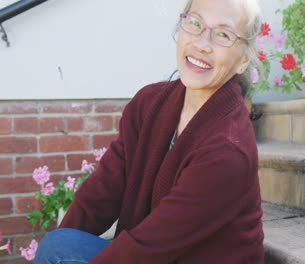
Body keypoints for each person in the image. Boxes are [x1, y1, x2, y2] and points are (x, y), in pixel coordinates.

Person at [34, 0, 264, 263]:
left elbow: (150, 248)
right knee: (58, 246)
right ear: (181, 26)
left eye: (223, 34)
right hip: (153, 252)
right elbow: (103, 192)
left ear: (243, 60)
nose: (203, 43)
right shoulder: (149, 104)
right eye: (196, 23)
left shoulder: (228, 149)